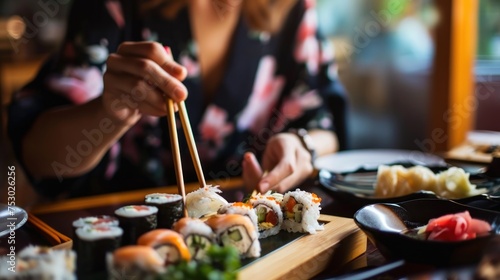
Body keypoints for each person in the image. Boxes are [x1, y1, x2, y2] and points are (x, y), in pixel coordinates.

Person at [7, 0, 343, 199]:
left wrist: (301, 146)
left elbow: (326, 125)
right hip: (124, 238)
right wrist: (107, 114)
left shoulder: (291, 8)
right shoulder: (115, 7)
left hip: (249, 239)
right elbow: (41, 160)